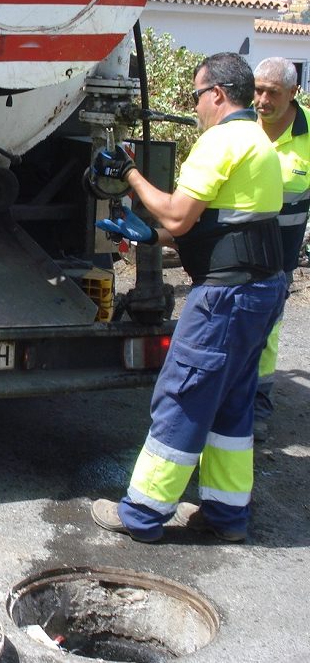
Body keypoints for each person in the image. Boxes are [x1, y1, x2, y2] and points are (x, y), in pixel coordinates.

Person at [89, 52, 287, 543]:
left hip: (225, 299)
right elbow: (227, 227)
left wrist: (131, 176)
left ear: (217, 93)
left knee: (184, 396)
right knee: (230, 406)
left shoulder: (220, 140)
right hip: (261, 289)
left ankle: (141, 513)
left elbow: (179, 216)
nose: (196, 105)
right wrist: (151, 237)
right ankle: (226, 515)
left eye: (198, 95)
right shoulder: (257, 142)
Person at [251, 57, 310, 441]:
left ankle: (258, 405)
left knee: (268, 332)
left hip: (279, 258)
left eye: (272, 92)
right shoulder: (240, 125)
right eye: (257, 90)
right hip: (231, 254)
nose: (262, 100)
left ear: (293, 93)